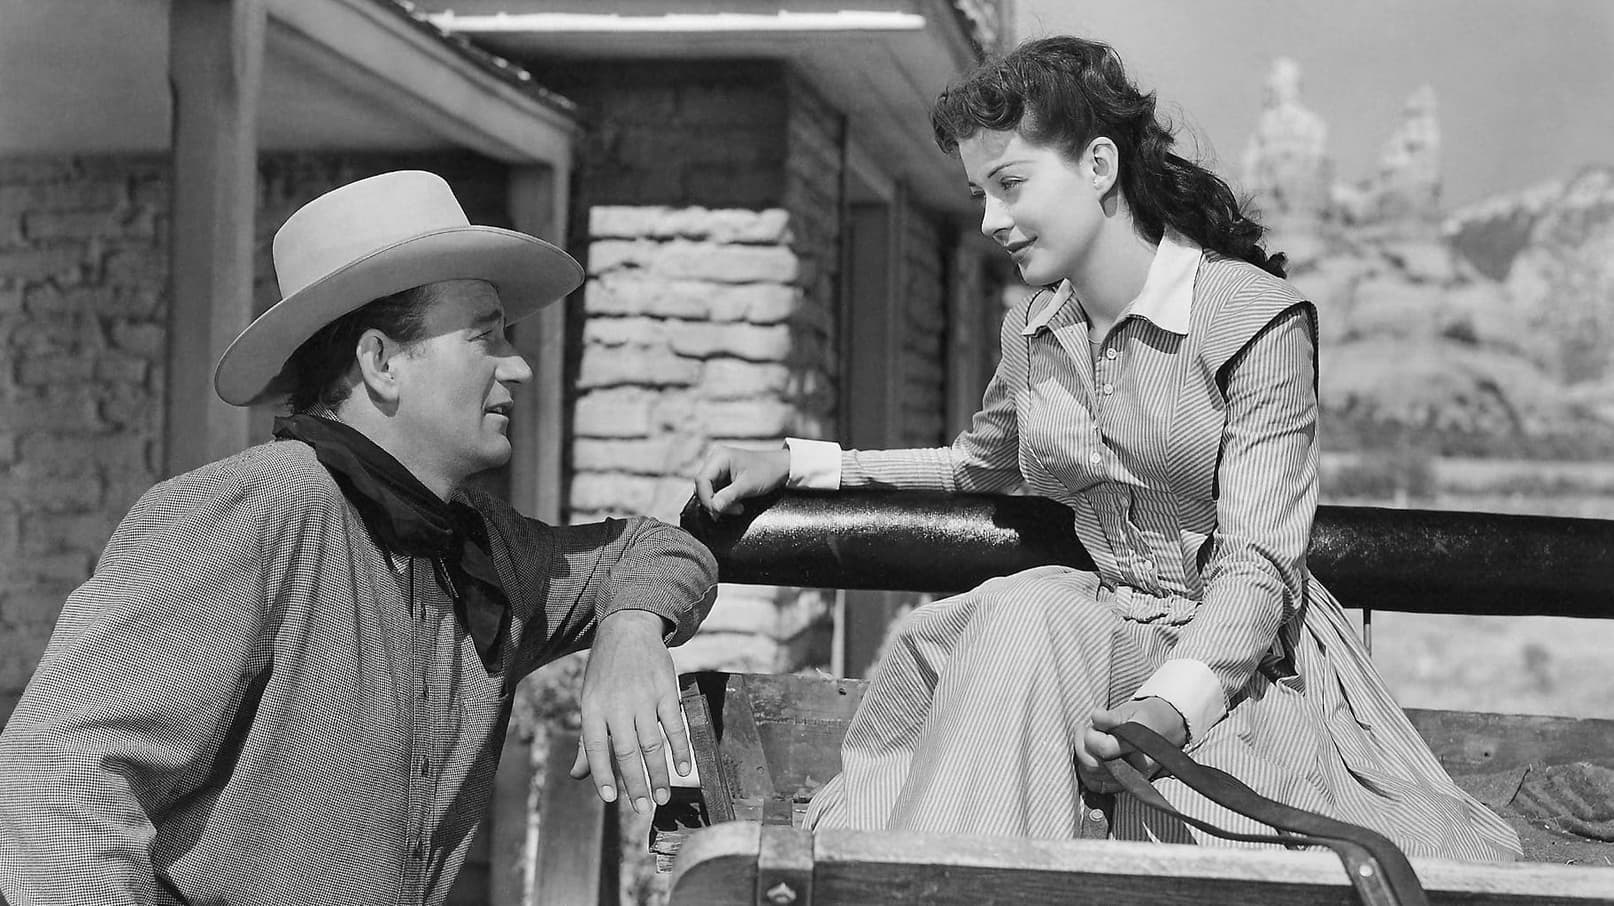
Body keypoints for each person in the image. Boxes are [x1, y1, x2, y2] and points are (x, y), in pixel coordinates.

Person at [695, 37, 1520, 860]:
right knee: (1023, 615)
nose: (990, 221)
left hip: (1236, 665)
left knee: (1033, 625)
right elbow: (974, 466)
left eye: (1011, 184)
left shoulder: (1254, 318)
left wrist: (1166, 710)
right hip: (1093, 633)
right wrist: (800, 463)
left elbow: (1258, 564)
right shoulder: (1034, 330)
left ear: (1098, 166)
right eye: (980, 194)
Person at [0, 170, 717, 905]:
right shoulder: (266, 505)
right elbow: (60, 769)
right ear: (381, 363)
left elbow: (654, 549)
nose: (520, 365)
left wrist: (631, 629)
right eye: (486, 336)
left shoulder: (481, 545)